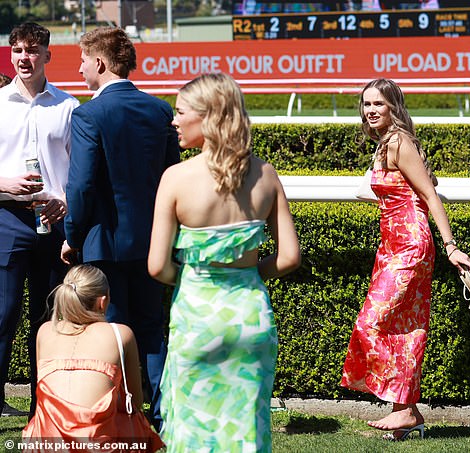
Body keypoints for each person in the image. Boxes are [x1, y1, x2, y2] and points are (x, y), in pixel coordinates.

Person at [147, 73, 301, 452]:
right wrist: (248, 273)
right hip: (251, 317)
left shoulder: (176, 178)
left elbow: (156, 266)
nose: (174, 120)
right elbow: (289, 258)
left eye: (180, 112)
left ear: (208, 117)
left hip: (198, 318)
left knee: (192, 430)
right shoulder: (265, 174)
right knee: (247, 429)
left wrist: (193, 277)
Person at [340, 78, 470, 441]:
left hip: (411, 246)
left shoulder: (399, 142)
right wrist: (391, 199)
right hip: (391, 244)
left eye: (378, 104)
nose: (370, 111)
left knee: (371, 323)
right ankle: (407, 413)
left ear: (393, 107)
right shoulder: (384, 143)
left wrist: (451, 246)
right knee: (402, 329)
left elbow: (430, 195)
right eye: (366, 104)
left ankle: (405, 410)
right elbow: (400, 192)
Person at [61, 26, 180, 430]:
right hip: (153, 243)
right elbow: (172, 179)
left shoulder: (88, 114)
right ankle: (162, 418)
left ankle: (120, 418)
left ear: (99, 63)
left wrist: (72, 237)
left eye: (82, 61)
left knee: (110, 334)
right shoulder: (161, 111)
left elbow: (80, 186)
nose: (79, 69)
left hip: (103, 245)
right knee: (152, 331)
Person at [0, 22, 79, 418]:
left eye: (32, 50)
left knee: (48, 322)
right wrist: (5, 183)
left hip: (54, 224)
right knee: (2, 316)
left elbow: (80, 172)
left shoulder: (68, 106)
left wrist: (64, 200)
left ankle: (44, 411)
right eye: (17, 50)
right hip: (7, 220)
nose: (24, 57)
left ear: (48, 55)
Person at [22, 264, 164, 451]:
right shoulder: (120, 334)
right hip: (97, 443)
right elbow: (134, 402)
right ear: (103, 302)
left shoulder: (46, 331)